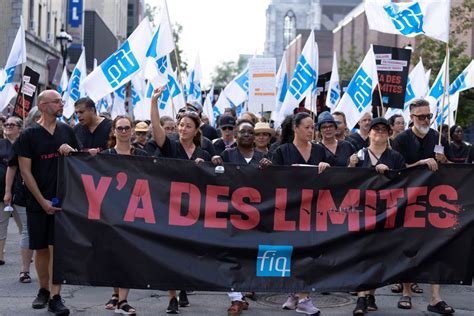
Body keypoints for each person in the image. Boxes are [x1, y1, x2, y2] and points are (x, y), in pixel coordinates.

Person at [17, 89, 80, 315]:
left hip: (63, 201)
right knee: (41, 248)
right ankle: (43, 290)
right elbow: (25, 172)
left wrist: (70, 152)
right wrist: (42, 201)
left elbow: (79, 162)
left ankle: (56, 296)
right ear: (43, 106)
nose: (61, 104)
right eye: (56, 102)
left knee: (58, 249)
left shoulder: (67, 131)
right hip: (37, 202)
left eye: (61, 101)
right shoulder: (29, 135)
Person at [391, 99, 454, 315]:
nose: (426, 120)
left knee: (436, 247)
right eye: (421, 116)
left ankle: (436, 298)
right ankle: (406, 292)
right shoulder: (400, 140)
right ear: (411, 117)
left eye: (429, 116)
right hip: (409, 201)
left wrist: (443, 159)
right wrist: (418, 165)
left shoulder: (439, 138)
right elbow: (396, 171)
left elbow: (454, 170)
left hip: (435, 201)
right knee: (410, 247)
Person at [151, 87, 208, 313]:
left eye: (187, 126)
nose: (183, 129)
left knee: (188, 251)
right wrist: (154, 102)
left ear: (196, 130)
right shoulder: (170, 146)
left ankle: (183, 284)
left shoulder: (203, 152)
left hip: (194, 209)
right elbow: (156, 129)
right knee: (170, 251)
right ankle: (172, 296)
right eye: (180, 125)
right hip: (171, 205)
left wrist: (207, 168)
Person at [210, 120, 271, 316]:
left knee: (249, 256)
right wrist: (215, 163)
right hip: (231, 215)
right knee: (230, 256)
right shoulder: (227, 155)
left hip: (255, 217)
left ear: (254, 137)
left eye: (250, 132)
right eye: (242, 132)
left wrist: (270, 169)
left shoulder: (263, 158)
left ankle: (243, 292)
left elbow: (272, 186)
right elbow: (217, 180)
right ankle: (235, 298)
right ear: (236, 136)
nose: (246, 135)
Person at [273, 112, 329, 316]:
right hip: (289, 210)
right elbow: (273, 179)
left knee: (308, 252)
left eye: (312, 127)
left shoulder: (320, 151)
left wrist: (326, 167)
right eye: (307, 127)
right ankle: (298, 296)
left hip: (313, 209)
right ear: (295, 128)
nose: (310, 130)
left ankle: (300, 296)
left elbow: (338, 174)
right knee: (292, 252)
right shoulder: (281, 151)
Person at [348, 117, 405, 316]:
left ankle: (369, 295)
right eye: (375, 129)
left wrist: (389, 173)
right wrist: (351, 166)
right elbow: (347, 183)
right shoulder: (358, 155)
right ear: (369, 133)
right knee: (363, 254)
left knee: (377, 255)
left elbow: (402, 182)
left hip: (385, 212)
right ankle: (361, 297)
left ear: (389, 133)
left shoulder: (395, 157)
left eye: (383, 129)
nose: (379, 132)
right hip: (362, 212)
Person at [100, 115, 148, 316]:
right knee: (113, 256)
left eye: (127, 128)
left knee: (127, 255)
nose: (123, 131)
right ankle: (116, 294)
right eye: (119, 128)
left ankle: (123, 300)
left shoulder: (141, 154)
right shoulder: (106, 155)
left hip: (135, 211)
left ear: (132, 130)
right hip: (111, 212)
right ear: (113, 131)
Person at [3, 117, 35, 283]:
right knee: (27, 229)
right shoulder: (20, 143)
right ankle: (24, 270)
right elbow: (12, 167)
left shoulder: (56, 136)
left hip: (46, 193)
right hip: (22, 193)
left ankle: (50, 267)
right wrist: (8, 191)